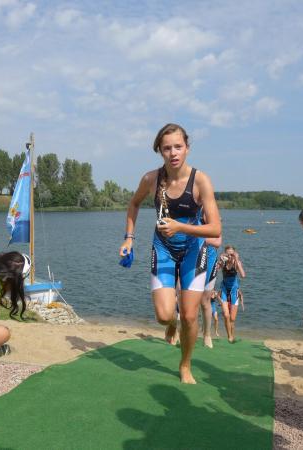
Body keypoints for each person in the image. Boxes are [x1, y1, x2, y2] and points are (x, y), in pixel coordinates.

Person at [119, 123, 221, 384]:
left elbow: (215, 228)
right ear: (159, 151)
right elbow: (133, 204)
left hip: (193, 250)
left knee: (190, 315)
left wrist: (181, 227)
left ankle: (185, 365)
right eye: (167, 148)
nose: (173, 153)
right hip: (163, 248)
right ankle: (172, 325)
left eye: (178, 146)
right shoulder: (151, 179)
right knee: (164, 316)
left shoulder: (200, 180)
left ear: (187, 148)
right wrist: (129, 238)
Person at [218, 245, 245, 343]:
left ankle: (232, 335)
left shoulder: (237, 263)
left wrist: (236, 259)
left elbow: (243, 275)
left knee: (232, 319)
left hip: (234, 290)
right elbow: (215, 270)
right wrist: (220, 260)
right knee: (226, 315)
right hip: (224, 289)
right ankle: (229, 335)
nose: (229, 256)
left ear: (234, 254)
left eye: (231, 254)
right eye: (227, 254)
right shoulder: (223, 262)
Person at [200, 233, 222, 348]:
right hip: (193, 258)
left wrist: (198, 237)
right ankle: (177, 330)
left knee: (205, 301)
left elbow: (217, 243)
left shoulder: (214, 222)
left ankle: (207, 335)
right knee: (187, 299)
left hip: (210, 260)